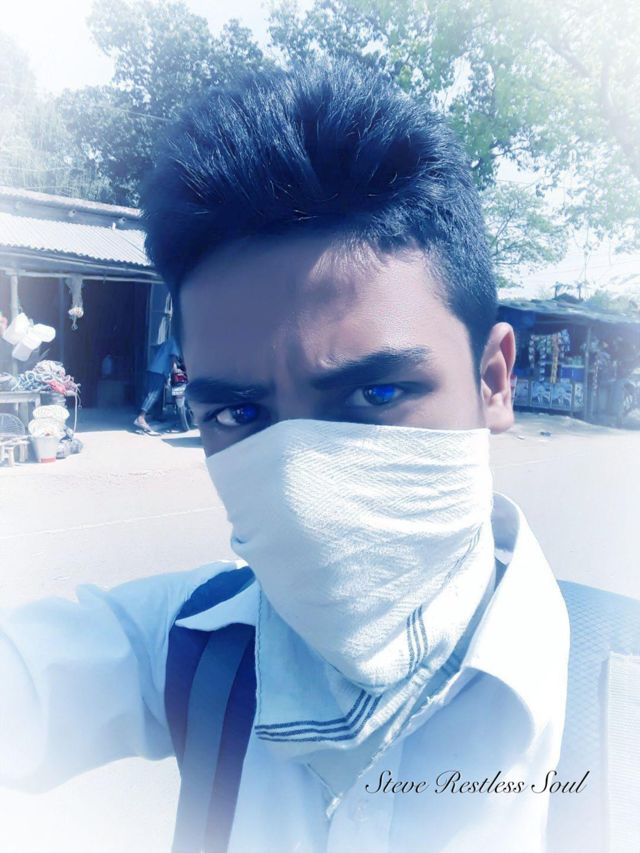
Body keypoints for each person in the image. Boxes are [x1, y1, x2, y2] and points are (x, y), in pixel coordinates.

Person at [1, 60, 639, 853]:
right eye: (239, 413)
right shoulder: (196, 645)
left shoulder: (619, 706)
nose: (303, 494)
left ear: (493, 381)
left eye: (376, 393)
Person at [133, 334, 182, 433]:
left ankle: (157, 415)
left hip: (155, 369)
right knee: (153, 394)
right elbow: (173, 360)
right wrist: (177, 371)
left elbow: (156, 349)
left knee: (158, 394)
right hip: (158, 371)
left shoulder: (168, 341)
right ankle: (141, 417)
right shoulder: (175, 342)